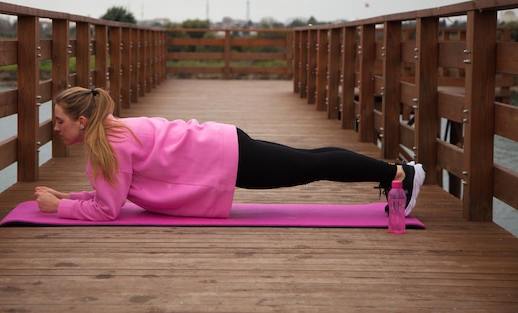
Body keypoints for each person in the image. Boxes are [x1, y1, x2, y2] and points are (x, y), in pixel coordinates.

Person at [35, 86, 425, 221]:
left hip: (223, 158)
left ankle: (400, 175)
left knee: (311, 165)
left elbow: (108, 210)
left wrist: (59, 209)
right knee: (309, 161)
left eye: (59, 122)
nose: (55, 129)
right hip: (222, 147)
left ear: (82, 122)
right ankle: (396, 173)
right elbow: (110, 195)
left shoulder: (113, 145)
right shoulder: (110, 134)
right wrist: (68, 197)